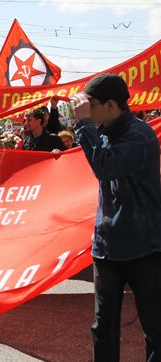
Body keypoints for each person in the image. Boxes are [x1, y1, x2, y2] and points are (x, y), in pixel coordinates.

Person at [70, 73, 161, 361]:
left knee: (155, 327)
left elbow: (105, 166)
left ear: (110, 105)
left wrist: (84, 125)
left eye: (90, 104)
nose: (84, 110)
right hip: (107, 248)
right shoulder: (104, 132)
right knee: (103, 328)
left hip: (144, 248)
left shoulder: (139, 135)